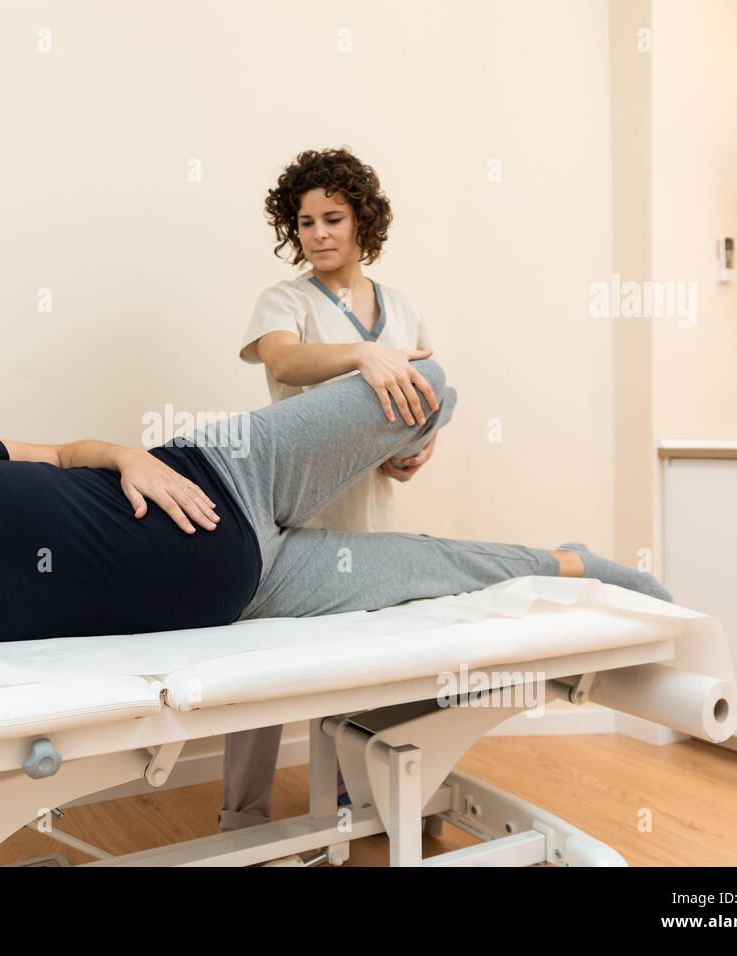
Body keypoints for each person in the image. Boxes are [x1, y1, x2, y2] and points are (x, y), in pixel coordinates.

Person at [0, 356, 669, 690]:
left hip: (228, 468)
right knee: (436, 566)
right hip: (253, 592)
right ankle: (574, 562)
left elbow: (64, 452)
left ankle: (407, 443)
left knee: (425, 386)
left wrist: (130, 457)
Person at [223, 145, 441, 828]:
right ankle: (242, 819)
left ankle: (360, 797)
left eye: (333, 219)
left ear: (361, 222)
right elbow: (284, 361)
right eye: (305, 222)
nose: (317, 234)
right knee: (265, 672)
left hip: (367, 517)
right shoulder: (284, 301)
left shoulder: (402, 309)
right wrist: (362, 354)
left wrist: (418, 450)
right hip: (291, 515)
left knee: (364, 667)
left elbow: (421, 400)